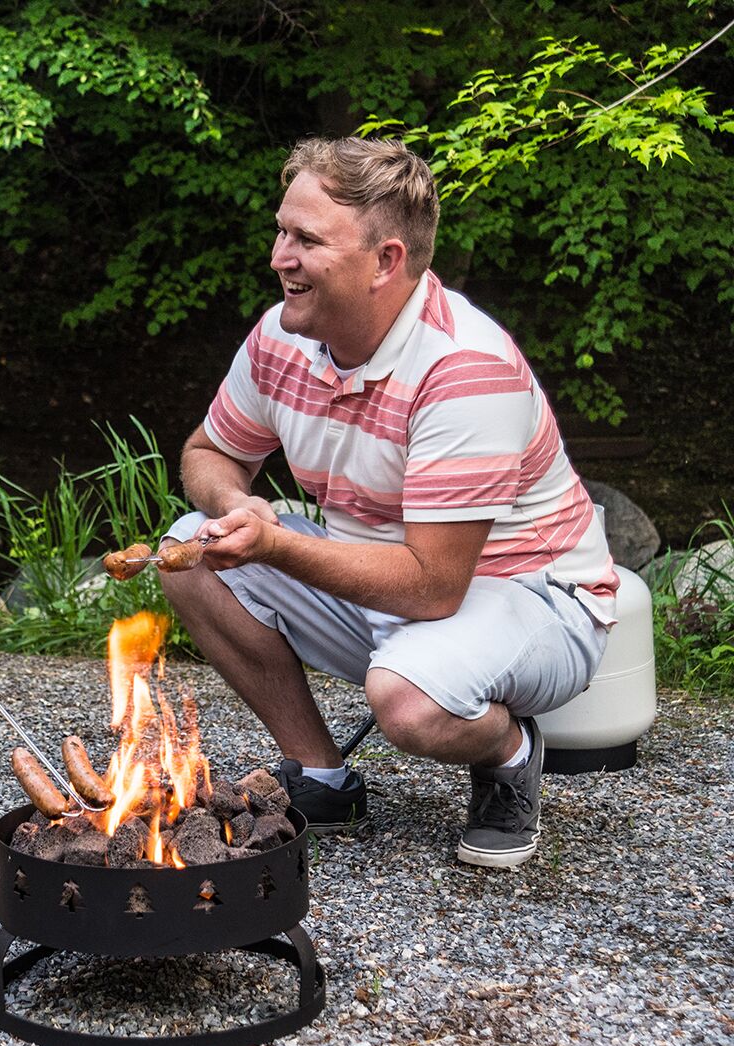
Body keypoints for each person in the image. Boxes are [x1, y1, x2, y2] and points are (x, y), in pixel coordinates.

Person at [159, 137, 618, 868]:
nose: (279, 257)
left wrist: (275, 545)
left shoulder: (463, 367)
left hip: (535, 601)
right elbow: (210, 451)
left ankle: (507, 750)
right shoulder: (282, 337)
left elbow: (434, 587)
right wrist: (235, 504)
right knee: (190, 552)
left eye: (307, 240)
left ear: (385, 261)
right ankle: (320, 778)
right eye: (281, 232)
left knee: (406, 700)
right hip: (390, 583)